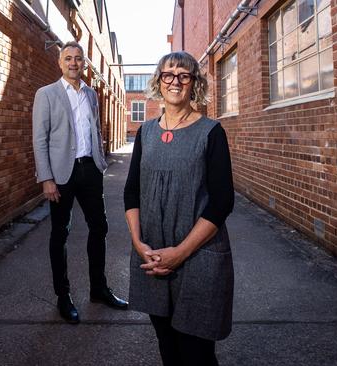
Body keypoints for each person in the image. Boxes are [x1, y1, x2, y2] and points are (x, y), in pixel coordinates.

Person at [123, 51, 235, 365]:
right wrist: (138, 243)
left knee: (196, 352)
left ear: (193, 83)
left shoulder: (211, 132)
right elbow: (131, 193)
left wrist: (180, 253)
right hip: (153, 255)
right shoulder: (145, 133)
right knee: (167, 346)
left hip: (197, 256)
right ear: (159, 81)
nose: (176, 81)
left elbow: (222, 202)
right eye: (169, 74)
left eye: (184, 75)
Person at [32, 41, 128, 324]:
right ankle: (64, 296)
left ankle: (99, 289)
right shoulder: (46, 94)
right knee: (60, 233)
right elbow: (40, 139)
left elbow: (95, 129)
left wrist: (100, 162)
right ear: (60, 63)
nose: (74, 63)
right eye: (68, 58)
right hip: (61, 175)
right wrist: (46, 178)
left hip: (89, 171)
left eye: (78, 59)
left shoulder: (91, 94)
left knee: (100, 227)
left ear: (84, 64)